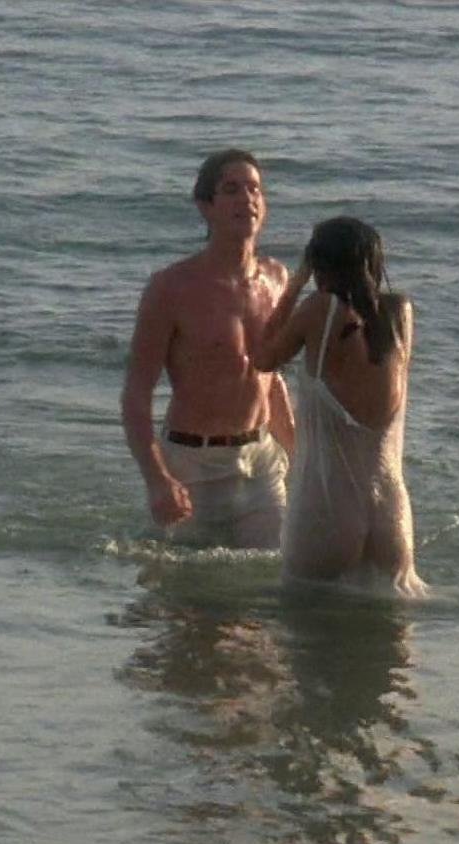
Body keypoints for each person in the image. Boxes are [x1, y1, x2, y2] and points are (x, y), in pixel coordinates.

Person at [122, 149, 301, 549]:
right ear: (205, 206)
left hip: (259, 462)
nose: (247, 199)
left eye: (254, 189)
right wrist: (157, 479)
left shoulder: (277, 279)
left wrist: (299, 457)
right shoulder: (171, 288)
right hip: (191, 466)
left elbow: (269, 379)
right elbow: (136, 393)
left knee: (277, 576)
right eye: (232, 189)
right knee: (180, 586)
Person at [251, 216, 428, 597]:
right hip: (392, 516)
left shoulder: (321, 310)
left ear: (319, 264)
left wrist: (295, 284)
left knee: (305, 627)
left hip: (327, 512)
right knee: (393, 629)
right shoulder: (399, 315)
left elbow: (262, 357)